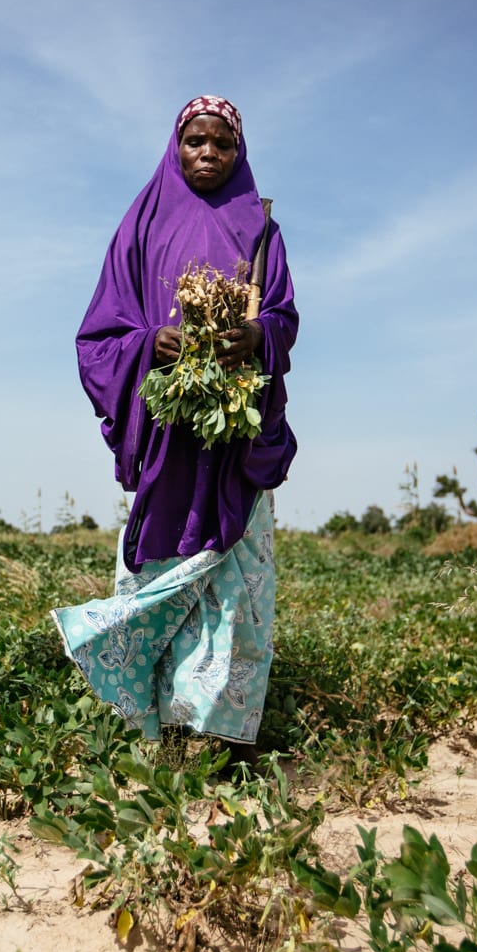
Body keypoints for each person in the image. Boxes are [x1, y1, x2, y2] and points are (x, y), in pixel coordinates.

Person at [52, 95, 298, 773]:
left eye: (222, 143)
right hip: (167, 442)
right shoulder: (142, 223)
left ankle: (216, 738)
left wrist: (257, 335)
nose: (209, 153)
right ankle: (152, 729)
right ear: (176, 145)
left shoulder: (262, 230)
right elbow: (98, 335)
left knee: (236, 586)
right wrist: (148, 344)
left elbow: (283, 316)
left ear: (239, 151)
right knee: (164, 574)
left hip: (234, 446)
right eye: (196, 141)